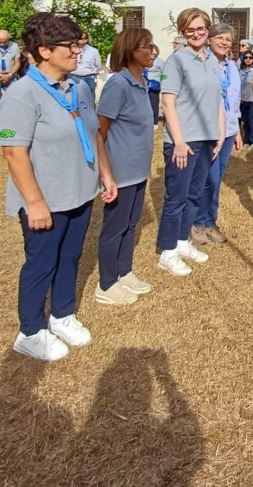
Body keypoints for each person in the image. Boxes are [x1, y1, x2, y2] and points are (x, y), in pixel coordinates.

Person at [0, 12, 118, 362]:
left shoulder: (78, 87)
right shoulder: (22, 94)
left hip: (79, 191)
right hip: (46, 199)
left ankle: (62, 314)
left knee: (70, 256)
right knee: (42, 263)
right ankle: (31, 331)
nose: (78, 51)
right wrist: (34, 203)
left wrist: (105, 174)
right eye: (71, 46)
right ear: (45, 50)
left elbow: (95, 133)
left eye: (78, 44)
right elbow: (13, 152)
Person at [156, 8, 224, 275]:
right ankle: (168, 251)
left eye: (200, 29)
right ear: (183, 33)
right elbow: (168, 102)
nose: (196, 34)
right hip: (183, 142)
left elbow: (217, 101)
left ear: (208, 30)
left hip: (206, 139)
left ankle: (182, 242)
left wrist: (218, 134)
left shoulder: (212, 61)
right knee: (177, 198)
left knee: (194, 195)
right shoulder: (177, 61)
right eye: (190, 30)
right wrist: (179, 141)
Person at [94, 27, 156, 306]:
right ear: (130, 50)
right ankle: (106, 283)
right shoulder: (118, 84)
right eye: (146, 47)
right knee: (115, 226)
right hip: (120, 169)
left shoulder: (141, 80)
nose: (152, 51)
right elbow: (101, 130)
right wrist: (105, 173)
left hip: (139, 168)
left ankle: (124, 270)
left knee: (131, 223)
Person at [193, 23, 243, 244]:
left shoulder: (232, 66)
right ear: (209, 39)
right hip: (208, 131)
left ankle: (209, 222)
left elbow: (235, 100)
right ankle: (196, 223)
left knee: (216, 179)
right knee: (206, 178)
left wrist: (238, 131)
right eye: (220, 38)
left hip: (229, 129)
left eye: (228, 39)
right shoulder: (202, 64)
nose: (224, 42)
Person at [71, 32, 102, 96]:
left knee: (89, 97)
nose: (79, 40)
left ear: (86, 40)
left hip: (89, 77)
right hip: (74, 76)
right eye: (78, 38)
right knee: (75, 96)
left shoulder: (93, 51)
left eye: (81, 38)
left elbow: (98, 65)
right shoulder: (73, 49)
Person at [238, 49, 253, 145]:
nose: (248, 59)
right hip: (242, 100)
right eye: (246, 57)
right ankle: (246, 141)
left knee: (252, 122)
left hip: (252, 100)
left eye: (250, 58)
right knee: (244, 122)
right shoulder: (240, 71)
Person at [146, 43, 163, 125]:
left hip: (154, 87)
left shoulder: (160, 62)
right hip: (144, 85)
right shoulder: (144, 59)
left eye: (155, 54)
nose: (153, 56)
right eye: (152, 53)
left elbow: (165, 74)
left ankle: (154, 123)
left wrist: (161, 81)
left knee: (153, 105)